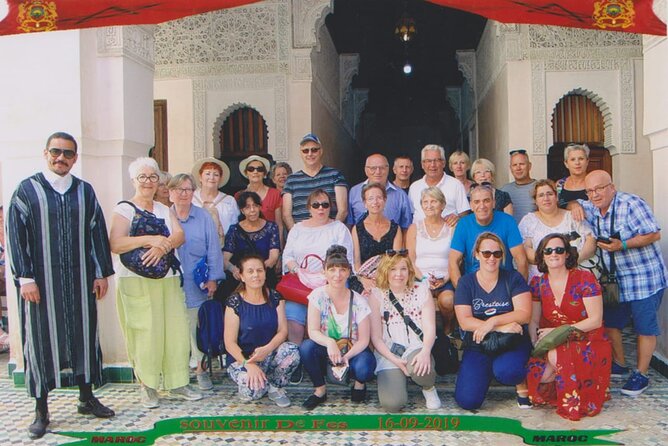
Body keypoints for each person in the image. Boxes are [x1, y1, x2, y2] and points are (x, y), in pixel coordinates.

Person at [7, 132, 116, 439]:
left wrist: (100, 272)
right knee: (42, 341)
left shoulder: (84, 191)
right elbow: (15, 235)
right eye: (56, 152)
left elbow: (96, 231)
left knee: (84, 335)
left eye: (68, 153)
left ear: (75, 158)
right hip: (41, 285)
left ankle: (86, 397)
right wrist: (25, 277)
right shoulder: (27, 191)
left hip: (81, 280)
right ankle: (41, 409)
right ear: (46, 153)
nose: (61, 158)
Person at [110, 157, 202, 410]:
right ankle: (148, 386)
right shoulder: (124, 209)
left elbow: (179, 235)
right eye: (143, 177)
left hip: (168, 278)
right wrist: (152, 239)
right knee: (145, 332)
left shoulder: (163, 209)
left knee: (175, 331)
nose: (149, 182)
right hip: (136, 281)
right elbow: (116, 243)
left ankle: (178, 382)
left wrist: (163, 246)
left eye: (153, 177)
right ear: (134, 181)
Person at [578, 170, 667, 396]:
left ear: (612, 187)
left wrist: (623, 245)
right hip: (614, 281)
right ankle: (619, 363)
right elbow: (570, 200)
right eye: (589, 190)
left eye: (599, 188)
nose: (594, 194)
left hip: (643, 278)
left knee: (644, 327)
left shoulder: (631, 204)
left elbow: (653, 234)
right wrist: (573, 205)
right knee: (611, 322)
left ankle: (642, 373)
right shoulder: (590, 206)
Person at [526, 233, 611, 421]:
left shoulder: (584, 279)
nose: (553, 254)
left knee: (559, 357)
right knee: (539, 380)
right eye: (548, 250)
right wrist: (535, 343)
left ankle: (578, 393)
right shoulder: (538, 283)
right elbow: (533, 320)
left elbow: (595, 320)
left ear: (567, 254)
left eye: (559, 249)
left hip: (588, 339)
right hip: (553, 340)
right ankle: (570, 380)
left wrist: (559, 332)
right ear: (542, 256)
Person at [454, 232, 532, 410]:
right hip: (479, 342)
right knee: (468, 401)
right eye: (486, 253)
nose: (492, 258)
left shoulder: (513, 278)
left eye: (497, 254)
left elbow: (524, 313)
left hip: (511, 341)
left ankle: (515, 378)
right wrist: (500, 327)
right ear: (476, 254)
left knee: (508, 372)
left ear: (502, 256)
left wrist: (493, 321)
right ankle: (483, 371)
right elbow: (465, 321)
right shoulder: (466, 283)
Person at [299, 245, 376, 410]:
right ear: (324, 272)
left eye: (342, 270)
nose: (337, 275)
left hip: (352, 349)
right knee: (306, 348)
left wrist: (347, 356)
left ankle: (359, 384)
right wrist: (329, 342)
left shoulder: (358, 300)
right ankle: (320, 390)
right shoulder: (317, 296)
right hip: (327, 349)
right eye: (332, 269)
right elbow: (312, 331)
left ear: (348, 272)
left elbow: (363, 339)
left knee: (366, 366)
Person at [169, 173, 225, 391]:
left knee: (196, 329)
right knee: (174, 328)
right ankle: (177, 374)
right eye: (179, 189)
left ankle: (200, 370)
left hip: (196, 283)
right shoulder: (164, 216)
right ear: (171, 192)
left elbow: (213, 249)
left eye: (188, 189)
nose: (184, 194)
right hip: (170, 283)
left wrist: (213, 278)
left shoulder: (203, 217)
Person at [282, 190, 354, 359]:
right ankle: (295, 359)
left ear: (331, 207)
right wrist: (298, 270)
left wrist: (327, 277)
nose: (320, 208)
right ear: (309, 208)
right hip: (300, 284)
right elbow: (287, 256)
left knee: (333, 322)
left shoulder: (338, 228)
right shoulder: (297, 229)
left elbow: (346, 259)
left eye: (325, 205)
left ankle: (332, 357)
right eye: (316, 205)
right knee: (293, 317)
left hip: (331, 283)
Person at [224, 255, 300, 407]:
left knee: (291, 350)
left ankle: (275, 387)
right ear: (242, 276)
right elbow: (229, 342)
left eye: (259, 270)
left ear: (265, 273)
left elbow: (282, 331)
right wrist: (248, 364)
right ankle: (259, 380)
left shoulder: (276, 298)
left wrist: (267, 349)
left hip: (269, 354)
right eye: (250, 271)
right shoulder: (235, 302)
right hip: (243, 358)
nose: (255, 275)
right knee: (252, 393)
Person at [369, 252, 442, 411]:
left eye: (403, 269)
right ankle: (398, 380)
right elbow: (376, 338)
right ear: (385, 272)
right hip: (389, 352)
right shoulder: (376, 295)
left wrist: (425, 351)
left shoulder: (421, 290)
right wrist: (394, 360)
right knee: (392, 404)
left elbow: (430, 327)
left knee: (420, 370)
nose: (398, 274)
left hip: (415, 347)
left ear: (409, 271)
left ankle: (429, 388)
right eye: (393, 269)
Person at [449, 183, 528, 288]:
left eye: (486, 201)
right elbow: (453, 261)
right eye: (477, 202)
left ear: (494, 203)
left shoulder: (508, 221)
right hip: (474, 284)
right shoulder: (464, 224)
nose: (482, 206)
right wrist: (461, 292)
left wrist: (518, 290)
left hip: (504, 282)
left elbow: (521, 260)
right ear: (471, 206)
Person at [519, 179, 596, 280]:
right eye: (541, 195)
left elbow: (591, 239)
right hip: (541, 282)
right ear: (536, 201)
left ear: (556, 197)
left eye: (549, 194)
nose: (546, 198)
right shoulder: (528, 221)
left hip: (574, 279)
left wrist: (574, 260)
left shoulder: (571, 216)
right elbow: (525, 249)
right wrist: (553, 265)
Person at [406, 187, 456, 335]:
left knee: (448, 301)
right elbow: (411, 260)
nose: (429, 205)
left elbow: (456, 259)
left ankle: (448, 331)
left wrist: (445, 278)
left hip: (445, 279)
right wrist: (424, 279)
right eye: (425, 202)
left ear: (442, 204)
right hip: (420, 278)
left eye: (433, 201)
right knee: (417, 300)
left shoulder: (452, 227)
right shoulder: (414, 228)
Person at [282, 133, 348, 229]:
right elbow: (286, 215)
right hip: (303, 237)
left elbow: (343, 210)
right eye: (305, 151)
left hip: (330, 236)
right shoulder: (291, 180)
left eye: (314, 150)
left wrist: (332, 233)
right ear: (300, 153)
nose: (310, 154)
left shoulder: (335, 175)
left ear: (321, 151)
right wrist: (297, 235)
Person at [223, 192, 280, 293]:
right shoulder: (234, 230)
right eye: (247, 207)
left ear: (259, 207)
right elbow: (225, 259)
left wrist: (257, 273)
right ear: (242, 210)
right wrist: (235, 270)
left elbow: (273, 257)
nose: (252, 210)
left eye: (255, 206)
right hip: (240, 279)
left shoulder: (271, 227)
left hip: (265, 277)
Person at [351, 183, 403, 293]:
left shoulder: (395, 229)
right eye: (370, 199)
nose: (375, 202)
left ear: (385, 200)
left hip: (389, 278)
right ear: (365, 203)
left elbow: (396, 261)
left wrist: (382, 279)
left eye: (379, 198)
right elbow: (356, 263)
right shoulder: (357, 229)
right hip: (363, 278)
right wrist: (363, 280)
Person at [347, 154, 413, 231]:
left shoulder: (400, 195)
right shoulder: (354, 192)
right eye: (373, 168)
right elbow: (349, 223)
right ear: (366, 170)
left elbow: (406, 228)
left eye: (382, 168)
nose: (378, 172)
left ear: (388, 169)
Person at [408, 144, 470, 225]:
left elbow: (464, 215)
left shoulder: (456, 185)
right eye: (429, 161)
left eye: (437, 160)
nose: (433, 165)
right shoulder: (414, 187)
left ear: (443, 163)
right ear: (422, 164)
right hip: (419, 236)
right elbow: (410, 215)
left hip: (448, 236)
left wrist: (457, 218)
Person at [191, 157, 239, 245]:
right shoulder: (191, 198)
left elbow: (235, 227)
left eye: (216, 175)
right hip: (195, 247)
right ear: (200, 177)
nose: (211, 178)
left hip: (223, 247)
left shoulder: (229, 200)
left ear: (220, 179)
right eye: (208, 174)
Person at [236, 155, 283, 237]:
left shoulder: (275, 194)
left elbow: (279, 224)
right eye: (251, 169)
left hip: (270, 242)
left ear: (264, 173)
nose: (255, 172)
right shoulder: (238, 196)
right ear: (246, 173)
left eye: (259, 169)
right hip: (246, 242)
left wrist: (280, 248)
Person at [500, 149, 537, 225]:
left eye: (522, 164)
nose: (518, 168)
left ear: (529, 166)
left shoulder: (539, 188)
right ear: (510, 168)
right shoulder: (504, 190)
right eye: (514, 165)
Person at [557, 143, 590, 211]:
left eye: (581, 159)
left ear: (587, 162)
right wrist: (570, 205)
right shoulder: (560, 184)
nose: (577, 163)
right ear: (566, 164)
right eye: (572, 159)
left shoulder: (594, 182)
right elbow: (556, 205)